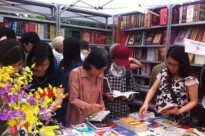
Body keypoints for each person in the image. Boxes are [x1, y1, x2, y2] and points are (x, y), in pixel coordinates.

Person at [139, 46, 198, 125]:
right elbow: (153, 89)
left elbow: (194, 101)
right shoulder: (164, 72)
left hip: (178, 119)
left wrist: (179, 111)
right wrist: (146, 103)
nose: (171, 67)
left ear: (182, 64)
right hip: (160, 117)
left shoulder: (190, 79)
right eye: (169, 63)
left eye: (175, 65)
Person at [66, 48, 110, 125]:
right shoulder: (76, 74)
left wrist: (103, 108)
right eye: (100, 69)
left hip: (94, 118)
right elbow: (73, 99)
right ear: (91, 65)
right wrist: (89, 106)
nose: (101, 73)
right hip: (78, 117)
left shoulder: (100, 74)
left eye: (104, 70)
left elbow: (100, 98)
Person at [26, 41, 66, 124]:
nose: (39, 68)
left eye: (44, 65)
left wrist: (47, 111)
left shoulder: (58, 73)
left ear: (50, 62)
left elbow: (59, 98)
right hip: (31, 120)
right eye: (36, 64)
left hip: (53, 119)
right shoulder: (25, 74)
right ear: (30, 59)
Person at [103, 44, 136, 118]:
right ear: (112, 58)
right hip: (107, 114)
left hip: (124, 114)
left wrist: (128, 96)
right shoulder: (104, 73)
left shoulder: (128, 74)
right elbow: (96, 92)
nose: (121, 65)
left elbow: (133, 93)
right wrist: (105, 94)